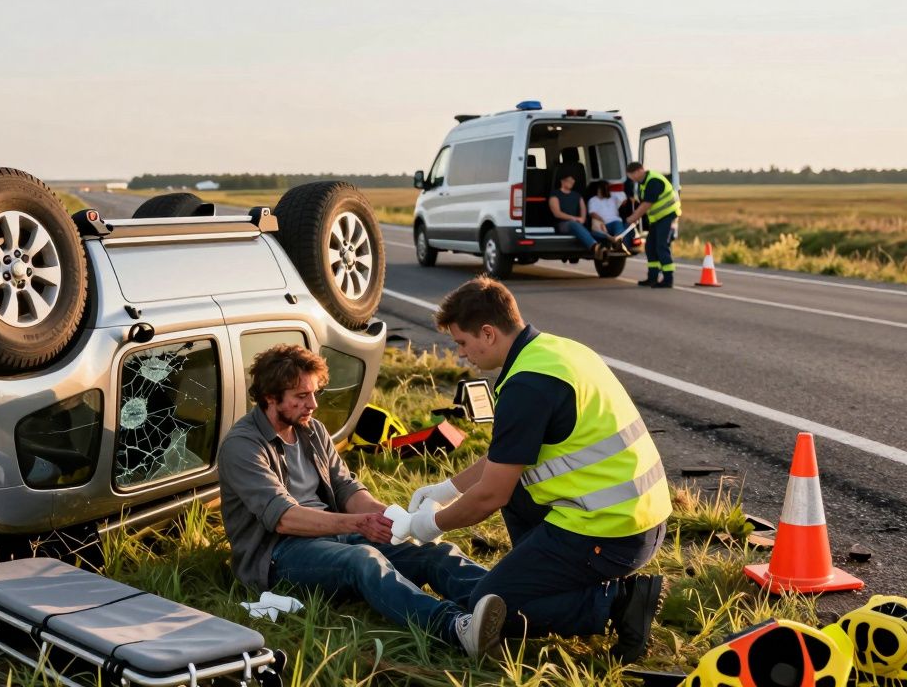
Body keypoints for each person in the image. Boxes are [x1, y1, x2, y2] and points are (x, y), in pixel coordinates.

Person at [405, 278, 671, 662]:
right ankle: (545, 580)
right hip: (637, 515)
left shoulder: (527, 386)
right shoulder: (555, 351)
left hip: (613, 532)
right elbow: (506, 458)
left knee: (490, 608)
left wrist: (430, 525)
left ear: (488, 332)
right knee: (514, 491)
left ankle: (619, 602)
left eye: (462, 343)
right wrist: (447, 487)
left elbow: (491, 495)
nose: (461, 354)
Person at [217, 344, 507, 658]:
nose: (312, 404)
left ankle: (511, 605)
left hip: (336, 533)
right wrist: (359, 524)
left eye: (315, 393)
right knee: (364, 560)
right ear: (270, 398)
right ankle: (456, 628)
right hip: (279, 555)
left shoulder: (311, 430)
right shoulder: (243, 446)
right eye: (301, 397)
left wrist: (397, 518)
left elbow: (346, 490)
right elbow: (284, 517)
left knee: (433, 552)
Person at [624, 162, 682, 287]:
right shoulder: (642, 183)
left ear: (640, 170)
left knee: (661, 246)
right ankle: (652, 277)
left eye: (632, 175)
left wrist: (633, 217)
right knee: (650, 247)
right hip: (657, 218)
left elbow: (647, 203)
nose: (632, 179)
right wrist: (638, 217)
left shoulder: (653, 181)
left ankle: (668, 279)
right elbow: (644, 202)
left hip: (667, 216)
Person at [548, 175, 606, 258]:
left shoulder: (577, 196)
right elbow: (557, 213)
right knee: (573, 224)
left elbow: (583, 210)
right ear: (562, 181)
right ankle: (594, 247)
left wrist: (582, 219)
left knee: (587, 227)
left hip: (577, 223)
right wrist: (574, 218)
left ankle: (608, 245)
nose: (572, 182)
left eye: (573, 181)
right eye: (569, 180)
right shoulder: (555, 195)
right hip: (562, 224)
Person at [586, 181, 633, 255]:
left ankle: (618, 242)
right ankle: (614, 240)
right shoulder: (593, 200)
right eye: (602, 188)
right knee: (595, 231)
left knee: (619, 225)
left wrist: (613, 188)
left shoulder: (613, 197)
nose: (604, 190)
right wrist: (602, 221)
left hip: (615, 222)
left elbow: (624, 200)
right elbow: (592, 213)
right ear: (598, 189)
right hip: (601, 224)